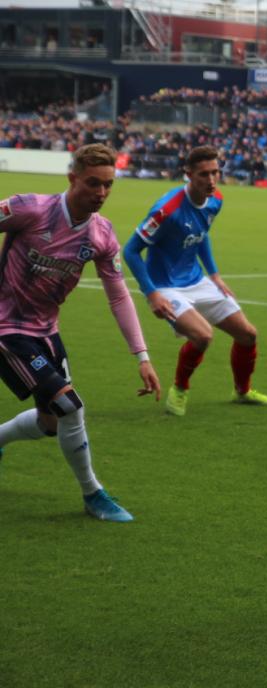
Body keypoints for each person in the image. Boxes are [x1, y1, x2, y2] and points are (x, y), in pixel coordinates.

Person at [0, 143, 162, 522]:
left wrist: (142, 356)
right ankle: (94, 494)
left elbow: (119, 296)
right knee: (71, 405)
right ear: (73, 178)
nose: (101, 193)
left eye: (108, 185)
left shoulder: (101, 236)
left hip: (46, 332)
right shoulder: (31, 209)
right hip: (7, 328)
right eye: (93, 183)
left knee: (50, 422)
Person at [122, 145, 267, 417]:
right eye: (204, 174)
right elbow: (130, 250)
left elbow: (202, 233)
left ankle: (242, 392)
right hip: (166, 286)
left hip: (196, 279)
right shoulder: (166, 211)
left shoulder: (215, 199)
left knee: (248, 335)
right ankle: (180, 389)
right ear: (188, 174)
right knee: (203, 335)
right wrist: (151, 294)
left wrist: (214, 274)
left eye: (215, 173)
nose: (211, 180)